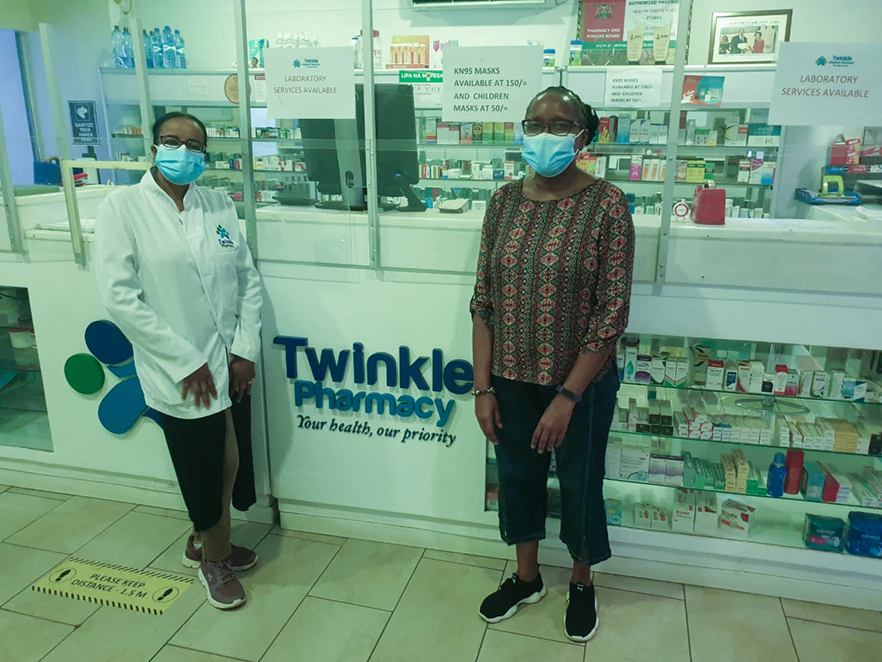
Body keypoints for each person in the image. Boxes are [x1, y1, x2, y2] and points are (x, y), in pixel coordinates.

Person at [471, 87, 634, 642]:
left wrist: (567, 398)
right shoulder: (503, 202)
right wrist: (482, 388)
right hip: (511, 378)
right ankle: (527, 576)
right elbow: (483, 301)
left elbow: (611, 315)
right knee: (518, 479)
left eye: (560, 124)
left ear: (583, 136)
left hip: (580, 385)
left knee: (581, 483)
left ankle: (583, 581)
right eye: (535, 123)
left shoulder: (607, 205)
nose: (545, 134)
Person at [94, 111, 262, 611]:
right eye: (173, 142)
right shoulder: (122, 208)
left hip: (226, 362)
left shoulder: (217, 204)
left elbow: (245, 280)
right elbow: (120, 297)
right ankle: (213, 559)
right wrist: (184, 360)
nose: (185, 153)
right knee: (207, 464)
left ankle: (207, 539)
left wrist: (243, 350)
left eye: (196, 146)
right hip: (178, 368)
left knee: (229, 458)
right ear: (153, 148)